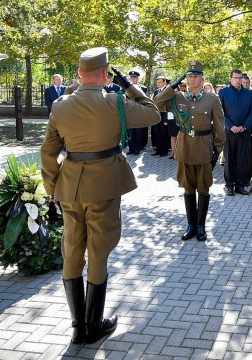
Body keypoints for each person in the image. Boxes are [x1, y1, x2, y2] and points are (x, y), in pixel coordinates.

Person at [40, 47, 160, 345]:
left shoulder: (61, 105)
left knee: (71, 249)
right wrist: (129, 85)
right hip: (104, 185)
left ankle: (78, 326)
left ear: (79, 74)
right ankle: (93, 325)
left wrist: (51, 188)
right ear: (107, 75)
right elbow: (154, 114)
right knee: (98, 251)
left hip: (69, 187)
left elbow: (48, 152)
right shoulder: (117, 103)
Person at [155, 61, 225, 241]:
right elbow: (157, 103)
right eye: (189, 76)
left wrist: (217, 149)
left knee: (203, 188)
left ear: (202, 79)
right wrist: (171, 86)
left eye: (196, 76)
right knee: (187, 188)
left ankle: (201, 226)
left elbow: (219, 126)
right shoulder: (178, 97)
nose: (192, 79)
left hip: (203, 147)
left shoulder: (212, 99)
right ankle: (191, 224)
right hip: (185, 146)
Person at [218, 69, 252, 196]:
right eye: (235, 78)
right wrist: (231, 126)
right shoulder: (224, 92)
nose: (238, 80)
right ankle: (229, 185)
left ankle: (240, 186)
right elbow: (220, 112)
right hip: (229, 132)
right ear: (231, 78)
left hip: (244, 132)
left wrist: (245, 126)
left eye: (240, 78)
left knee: (242, 159)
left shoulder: (248, 93)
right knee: (229, 159)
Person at [125, 71, 150, 155]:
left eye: (134, 77)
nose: (132, 79)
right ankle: (131, 149)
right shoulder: (126, 88)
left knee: (138, 131)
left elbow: (146, 101)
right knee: (130, 131)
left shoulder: (143, 88)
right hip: (129, 113)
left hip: (139, 112)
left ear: (137, 79)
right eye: (131, 77)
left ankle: (137, 149)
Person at [150, 76, 174, 156]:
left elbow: (170, 105)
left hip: (165, 114)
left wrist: (168, 119)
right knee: (157, 132)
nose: (158, 84)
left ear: (165, 82)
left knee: (164, 133)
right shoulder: (156, 91)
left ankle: (164, 151)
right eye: (157, 82)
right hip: (157, 114)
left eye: (160, 82)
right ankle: (158, 150)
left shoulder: (168, 91)